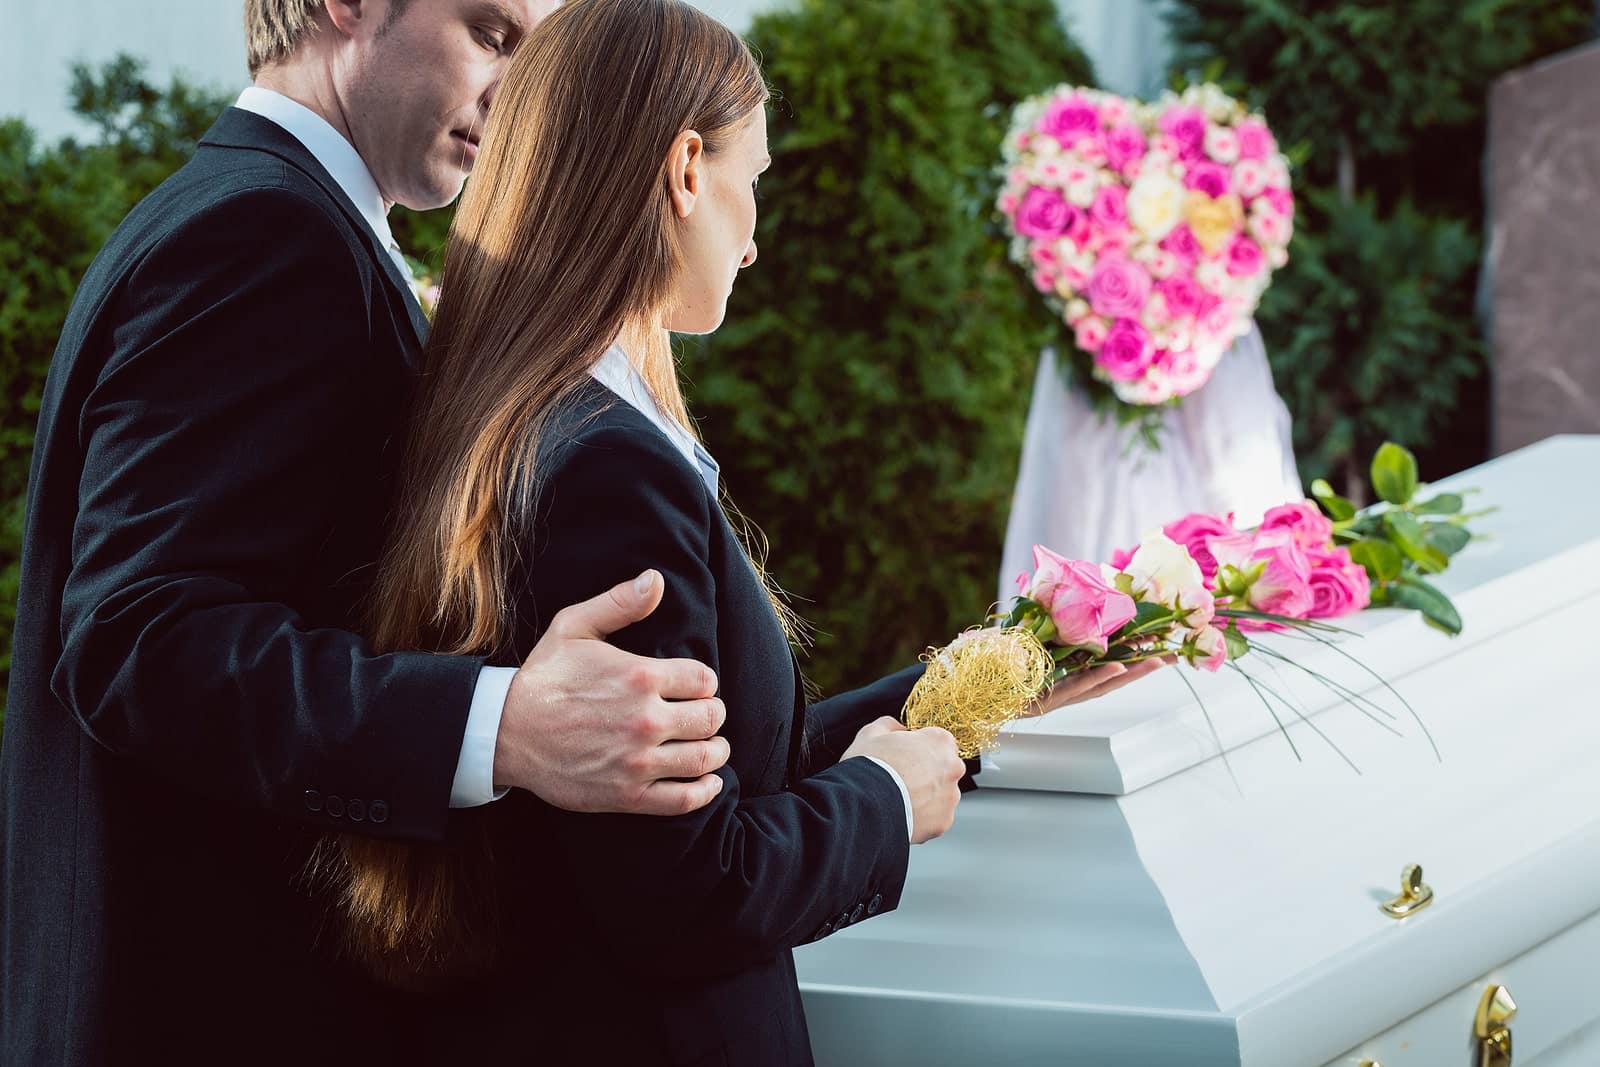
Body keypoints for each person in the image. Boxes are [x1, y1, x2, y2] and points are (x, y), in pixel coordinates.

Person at [323, 2, 1163, 1062]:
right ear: (684, 169)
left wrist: (991, 680)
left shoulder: (537, 418)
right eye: (751, 180)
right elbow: (686, 893)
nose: (755, 237)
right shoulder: (608, 469)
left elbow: (714, 770)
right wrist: (880, 804)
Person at [0, 1, 742, 1062]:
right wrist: (502, 726)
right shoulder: (259, 230)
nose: (516, 90)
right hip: (209, 1013)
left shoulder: (293, 220)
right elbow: (141, 639)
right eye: (491, 35)